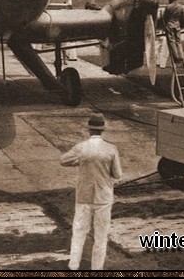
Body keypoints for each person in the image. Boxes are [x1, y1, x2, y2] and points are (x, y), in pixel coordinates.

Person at [60, 113, 122, 270]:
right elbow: (117, 174)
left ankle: (73, 265)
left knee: (79, 232)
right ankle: (97, 268)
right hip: (103, 197)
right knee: (101, 236)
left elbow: (63, 160)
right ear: (102, 130)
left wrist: (78, 162)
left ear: (89, 130)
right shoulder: (111, 149)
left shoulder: (81, 147)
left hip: (84, 196)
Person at [162, 0, 184, 64]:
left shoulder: (168, 7)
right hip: (177, 24)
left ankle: (176, 57)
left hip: (170, 24)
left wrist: (165, 25)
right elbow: (183, 16)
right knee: (178, 41)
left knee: (172, 41)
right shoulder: (181, 7)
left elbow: (165, 17)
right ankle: (181, 56)